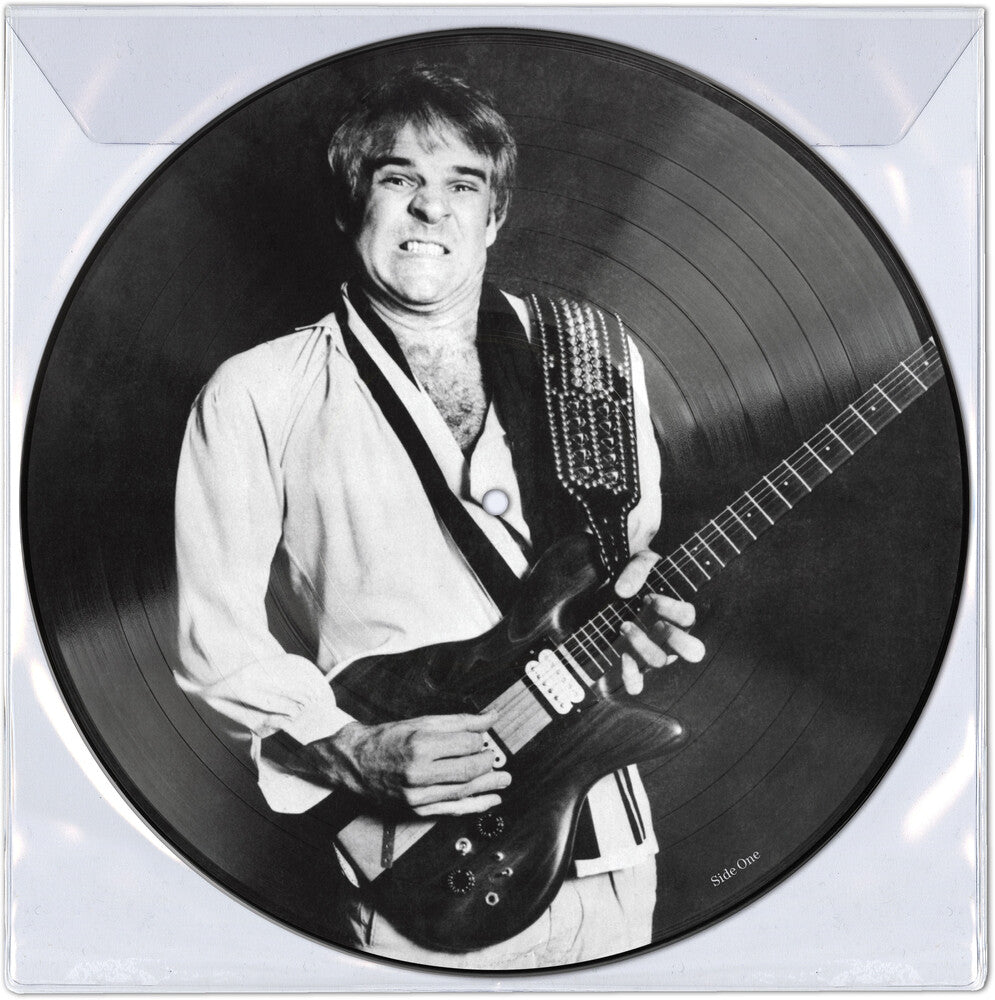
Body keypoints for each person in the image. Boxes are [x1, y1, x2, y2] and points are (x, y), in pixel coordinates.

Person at [174, 65, 704, 970]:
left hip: (611, 851)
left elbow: (621, 574)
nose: (431, 207)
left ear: (494, 217)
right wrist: (346, 749)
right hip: (423, 869)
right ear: (353, 204)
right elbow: (214, 642)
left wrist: (642, 618)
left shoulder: (594, 359)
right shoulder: (257, 392)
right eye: (399, 178)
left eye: (463, 185)